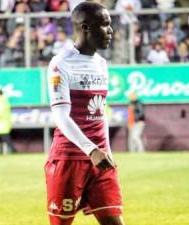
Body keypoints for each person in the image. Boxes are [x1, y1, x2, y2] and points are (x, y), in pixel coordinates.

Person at [45, 2, 125, 225]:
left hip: (100, 160)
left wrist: (105, 150)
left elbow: (101, 112)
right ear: (85, 27)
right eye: (105, 25)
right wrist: (91, 150)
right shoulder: (61, 64)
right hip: (70, 159)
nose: (110, 31)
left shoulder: (101, 63)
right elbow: (61, 116)